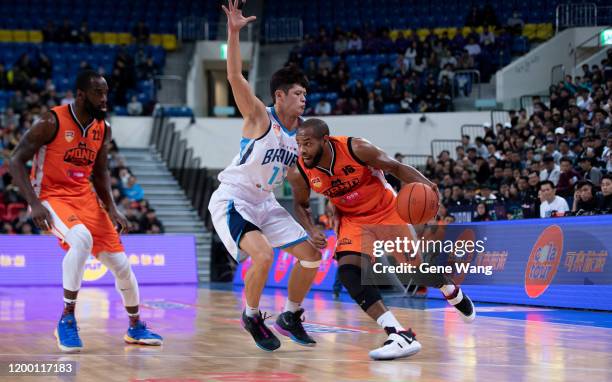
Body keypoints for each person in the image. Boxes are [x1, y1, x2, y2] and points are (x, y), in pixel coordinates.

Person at [288, 118, 475, 360]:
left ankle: (451, 290)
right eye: (299, 144)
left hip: (387, 210)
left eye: (308, 144)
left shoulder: (357, 148)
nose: (302, 150)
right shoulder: (300, 170)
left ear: (325, 140)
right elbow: (300, 205)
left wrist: (428, 186)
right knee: (349, 273)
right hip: (353, 221)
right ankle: (398, 333)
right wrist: (312, 229)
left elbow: (396, 167)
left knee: (416, 272)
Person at [8, 70, 162, 353]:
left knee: (122, 266)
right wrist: (35, 202)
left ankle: (135, 325)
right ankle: (66, 319)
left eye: (106, 93)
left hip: (85, 198)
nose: (105, 99)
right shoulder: (49, 121)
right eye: (98, 93)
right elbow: (16, 160)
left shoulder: (103, 128)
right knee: (80, 239)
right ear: (81, 95)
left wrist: (112, 209)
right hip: (52, 196)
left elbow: (101, 171)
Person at [208, 0, 322, 352]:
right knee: (263, 256)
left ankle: (290, 315)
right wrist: (233, 33)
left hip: (266, 202)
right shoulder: (260, 117)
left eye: (305, 94)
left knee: (311, 256)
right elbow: (233, 77)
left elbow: (297, 181)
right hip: (234, 198)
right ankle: (251, 314)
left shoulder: (299, 135)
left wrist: (308, 221)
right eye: (298, 94)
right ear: (279, 96)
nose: (304, 100)